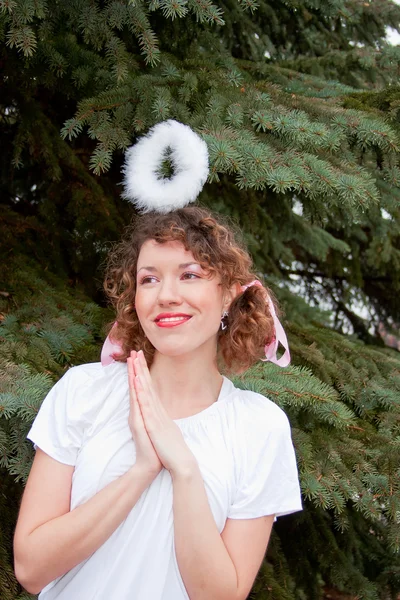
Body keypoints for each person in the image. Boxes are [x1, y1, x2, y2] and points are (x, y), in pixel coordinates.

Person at [13, 121, 302, 600]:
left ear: (230, 295)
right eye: (149, 279)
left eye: (189, 275)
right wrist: (141, 469)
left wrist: (183, 468)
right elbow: (31, 567)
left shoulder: (260, 428)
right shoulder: (83, 392)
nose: (166, 295)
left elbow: (220, 595)